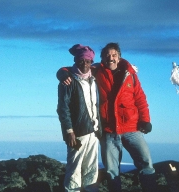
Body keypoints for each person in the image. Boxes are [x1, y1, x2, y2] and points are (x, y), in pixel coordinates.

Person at [57, 42, 157, 192]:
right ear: (102, 58)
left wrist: (146, 120)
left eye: (114, 55)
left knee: (146, 163)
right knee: (111, 170)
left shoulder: (130, 75)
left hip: (132, 128)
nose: (111, 58)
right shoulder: (96, 71)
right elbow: (73, 68)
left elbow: (140, 99)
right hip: (109, 130)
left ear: (119, 57)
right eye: (107, 55)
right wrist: (62, 73)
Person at [56, 44, 102, 192]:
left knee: (91, 167)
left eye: (88, 61)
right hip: (77, 133)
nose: (84, 64)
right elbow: (63, 108)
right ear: (75, 61)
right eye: (81, 61)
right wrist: (69, 131)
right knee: (74, 168)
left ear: (91, 62)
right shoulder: (68, 81)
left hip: (93, 131)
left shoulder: (94, 80)